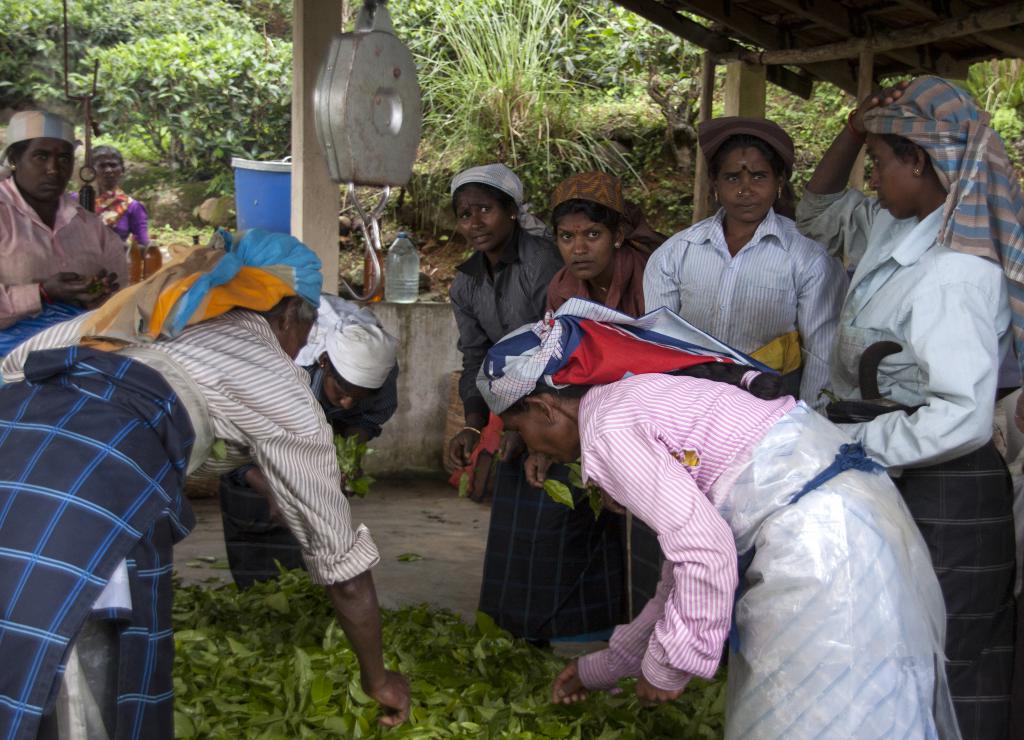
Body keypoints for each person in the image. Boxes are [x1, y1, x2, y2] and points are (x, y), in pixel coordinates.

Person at [477, 301, 957, 739]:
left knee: (809, 717)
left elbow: (705, 552)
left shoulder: (607, 428)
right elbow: (682, 569)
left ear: (544, 407)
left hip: (821, 548)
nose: (534, 450)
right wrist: (611, 664)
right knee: (875, 708)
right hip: (852, 521)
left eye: (523, 432)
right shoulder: (627, 400)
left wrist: (670, 666)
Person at [0, 229, 410, 739]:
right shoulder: (272, 376)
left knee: (14, 645)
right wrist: (379, 678)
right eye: (307, 333)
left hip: (11, 449)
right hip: (93, 491)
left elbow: (14, 369)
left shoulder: (137, 312)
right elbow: (344, 572)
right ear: (292, 315)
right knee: (85, 680)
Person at [797, 75, 1021, 740]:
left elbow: (960, 414)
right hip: (906, 478)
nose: (871, 178)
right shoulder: (891, 235)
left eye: (880, 162)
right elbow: (815, 211)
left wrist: (858, 446)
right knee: (902, 652)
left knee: (950, 667)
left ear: (919, 162)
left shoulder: (956, 271)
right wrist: (855, 128)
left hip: (946, 488)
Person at [447, 163, 624, 641]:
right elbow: (475, 355)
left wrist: (534, 429)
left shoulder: (547, 264)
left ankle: (574, 626)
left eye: (485, 209)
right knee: (517, 502)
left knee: (568, 507)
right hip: (519, 411)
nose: (475, 223)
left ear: (511, 211)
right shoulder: (465, 282)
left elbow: (563, 348)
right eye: (465, 214)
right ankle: (514, 623)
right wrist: (477, 424)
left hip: (563, 405)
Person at [644, 116, 846, 407]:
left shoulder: (808, 257)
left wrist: (810, 421)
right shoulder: (675, 253)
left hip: (773, 410)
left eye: (759, 176)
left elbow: (821, 353)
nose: (745, 189)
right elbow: (660, 342)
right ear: (714, 182)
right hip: (690, 407)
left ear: (779, 182)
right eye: (732, 177)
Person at [221, 293, 400, 587]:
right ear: (324, 363)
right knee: (261, 574)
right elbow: (230, 442)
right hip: (248, 457)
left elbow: (365, 418)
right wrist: (270, 490)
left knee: (310, 567)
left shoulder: (379, 365)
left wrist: (348, 458)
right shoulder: (279, 365)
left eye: (356, 398)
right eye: (339, 392)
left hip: (310, 458)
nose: (345, 404)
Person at [0, 111, 125, 355]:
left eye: (64, 159)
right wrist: (42, 293)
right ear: (15, 158)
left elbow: (121, 290)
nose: (53, 169)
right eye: (40, 156)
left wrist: (99, 295)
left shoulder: (89, 225)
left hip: (77, 347)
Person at [545, 171, 663, 315]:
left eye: (593, 234)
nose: (579, 250)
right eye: (567, 236)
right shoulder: (560, 287)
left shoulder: (650, 281)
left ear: (618, 236)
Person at [87, 144, 151, 246]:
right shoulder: (77, 201)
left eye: (113, 165)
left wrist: (120, 247)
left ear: (122, 170)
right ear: (91, 170)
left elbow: (144, 246)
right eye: (102, 165)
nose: (108, 170)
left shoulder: (133, 207)